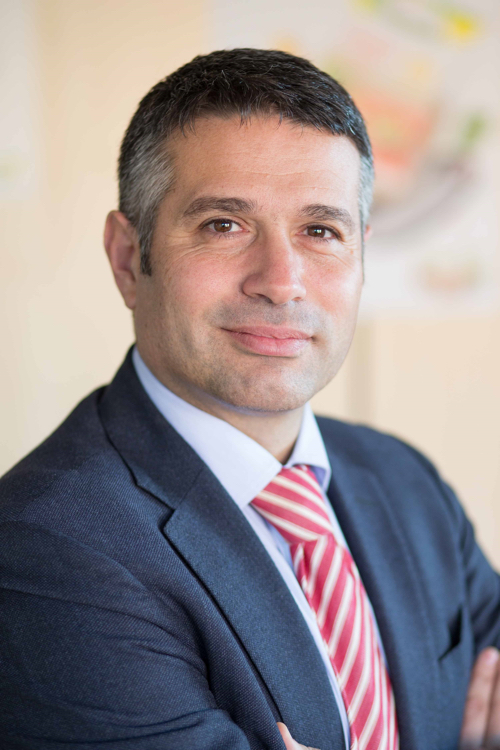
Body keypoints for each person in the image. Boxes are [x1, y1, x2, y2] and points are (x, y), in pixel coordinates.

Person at [0, 48, 499, 750]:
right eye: (223, 225)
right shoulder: (45, 550)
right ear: (128, 259)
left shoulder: (404, 479)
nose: (281, 280)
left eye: (321, 231)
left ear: (360, 256)